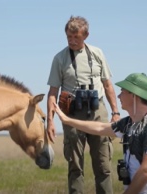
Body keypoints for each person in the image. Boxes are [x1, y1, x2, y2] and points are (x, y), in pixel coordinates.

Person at [54, 72, 147, 194]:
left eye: (122, 91)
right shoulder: (129, 123)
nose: (118, 96)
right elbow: (100, 127)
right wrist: (67, 120)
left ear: (134, 96)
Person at [47, 16, 120, 194]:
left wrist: (115, 113)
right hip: (72, 114)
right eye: (68, 37)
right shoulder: (60, 58)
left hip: (98, 112)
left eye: (76, 37)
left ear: (86, 35)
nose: (72, 41)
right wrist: (50, 121)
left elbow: (108, 85)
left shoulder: (97, 53)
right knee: (75, 167)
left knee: (103, 166)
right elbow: (52, 92)